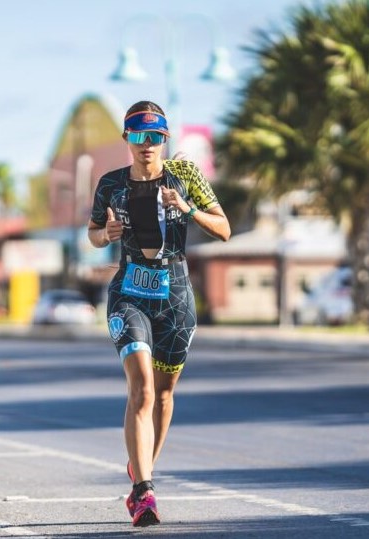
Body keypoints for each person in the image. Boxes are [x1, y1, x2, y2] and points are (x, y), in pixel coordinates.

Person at [87, 100, 231, 527]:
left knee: (165, 396)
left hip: (177, 301)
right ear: (127, 139)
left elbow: (224, 229)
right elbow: (94, 233)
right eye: (137, 136)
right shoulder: (111, 184)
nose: (146, 144)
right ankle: (143, 492)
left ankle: (141, 467)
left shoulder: (185, 176)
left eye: (154, 137)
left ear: (164, 139)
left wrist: (187, 209)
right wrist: (104, 234)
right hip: (129, 295)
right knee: (143, 390)